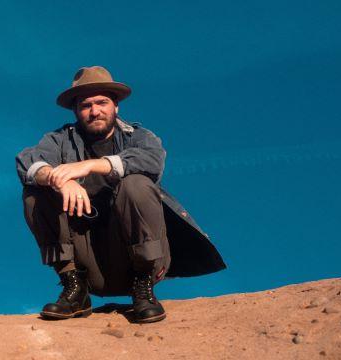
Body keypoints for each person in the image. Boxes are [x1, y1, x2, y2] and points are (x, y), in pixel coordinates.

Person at [16, 66, 225, 323]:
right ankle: (74, 287)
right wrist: (57, 179)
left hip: (135, 259)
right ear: (75, 111)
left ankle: (144, 287)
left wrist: (91, 165)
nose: (95, 111)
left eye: (102, 102)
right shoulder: (59, 140)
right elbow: (27, 162)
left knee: (135, 184)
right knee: (35, 191)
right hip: (89, 260)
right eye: (86, 105)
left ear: (116, 106)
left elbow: (151, 161)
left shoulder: (138, 137)